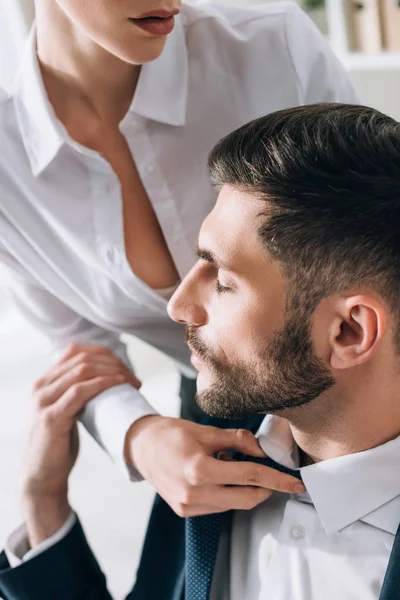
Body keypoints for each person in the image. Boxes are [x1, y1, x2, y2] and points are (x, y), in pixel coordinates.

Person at [2, 102, 400, 600]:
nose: (178, 306)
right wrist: (43, 503)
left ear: (347, 332)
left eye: (223, 280)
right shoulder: (206, 468)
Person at [0, 0, 359, 514]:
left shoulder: (271, 43)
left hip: (360, 382)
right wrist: (137, 435)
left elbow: (376, 235)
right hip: (214, 414)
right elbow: (77, 346)